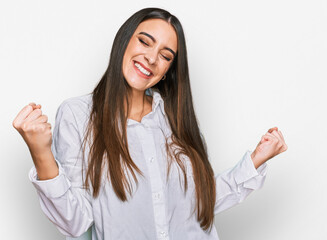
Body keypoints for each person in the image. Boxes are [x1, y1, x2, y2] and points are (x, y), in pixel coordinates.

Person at [12, 7, 287, 240]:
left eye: (166, 56)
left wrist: (255, 161)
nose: (152, 58)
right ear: (124, 41)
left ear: (168, 70)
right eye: (145, 41)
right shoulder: (77, 115)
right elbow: (76, 222)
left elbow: (198, 202)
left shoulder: (176, 117)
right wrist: (41, 153)